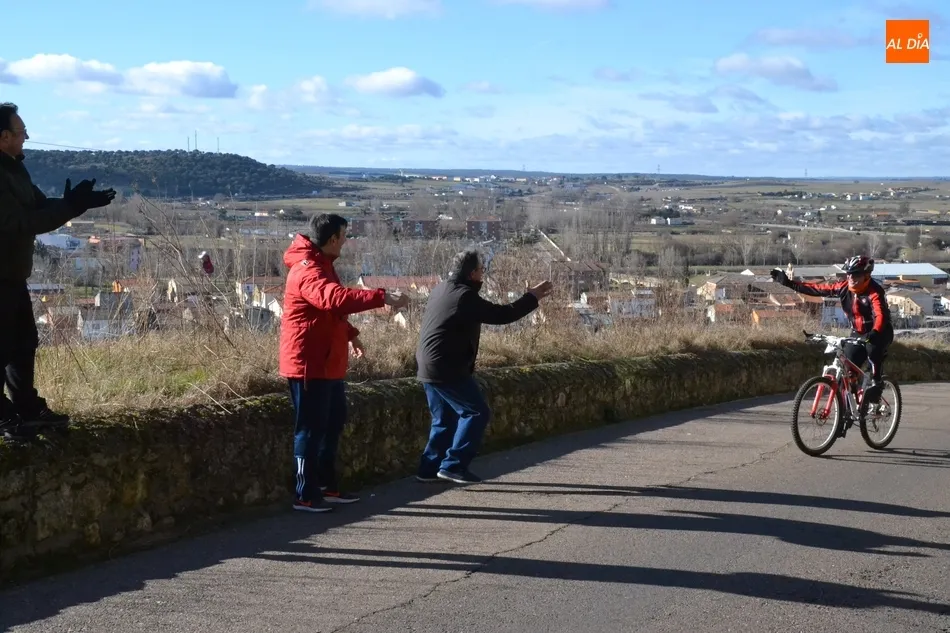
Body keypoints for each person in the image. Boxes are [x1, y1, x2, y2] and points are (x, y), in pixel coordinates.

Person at [0, 102, 116, 441]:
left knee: (23, 343)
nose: (26, 137)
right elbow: (21, 223)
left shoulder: (14, 168)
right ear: (4, 137)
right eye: (21, 132)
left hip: (11, 274)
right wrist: (69, 207)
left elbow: (39, 206)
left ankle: (26, 409)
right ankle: (5, 419)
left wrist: (76, 203)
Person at [279, 213, 409, 513]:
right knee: (310, 429)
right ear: (333, 238)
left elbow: (328, 312)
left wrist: (351, 335)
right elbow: (333, 299)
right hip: (309, 363)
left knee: (332, 424)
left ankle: (326, 486)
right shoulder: (308, 269)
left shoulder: (323, 264)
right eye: (344, 236)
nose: (346, 241)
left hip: (328, 362)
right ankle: (305, 494)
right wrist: (382, 297)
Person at [415, 248, 553, 484]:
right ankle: (453, 465)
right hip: (447, 366)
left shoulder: (441, 289)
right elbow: (502, 315)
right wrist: (531, 298)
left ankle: (429, 469)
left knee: (444, 419)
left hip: (428, 364)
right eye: (481, 270)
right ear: (471, 274)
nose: (483, 274)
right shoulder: (464, 296)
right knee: (476, 412)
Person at [771, 255, 893, 404]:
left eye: (856, 274)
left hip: (880, 331)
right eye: (849, 274)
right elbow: (817, 289)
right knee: (848, 367)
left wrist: (875, 331)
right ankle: (848, 407)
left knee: (873, 350)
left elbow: (880, 315)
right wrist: (789, 283)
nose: (851, 278)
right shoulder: (843, 287)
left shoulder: (875, 291)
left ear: (866, 275)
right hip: (858, 332)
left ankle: (877, 385)